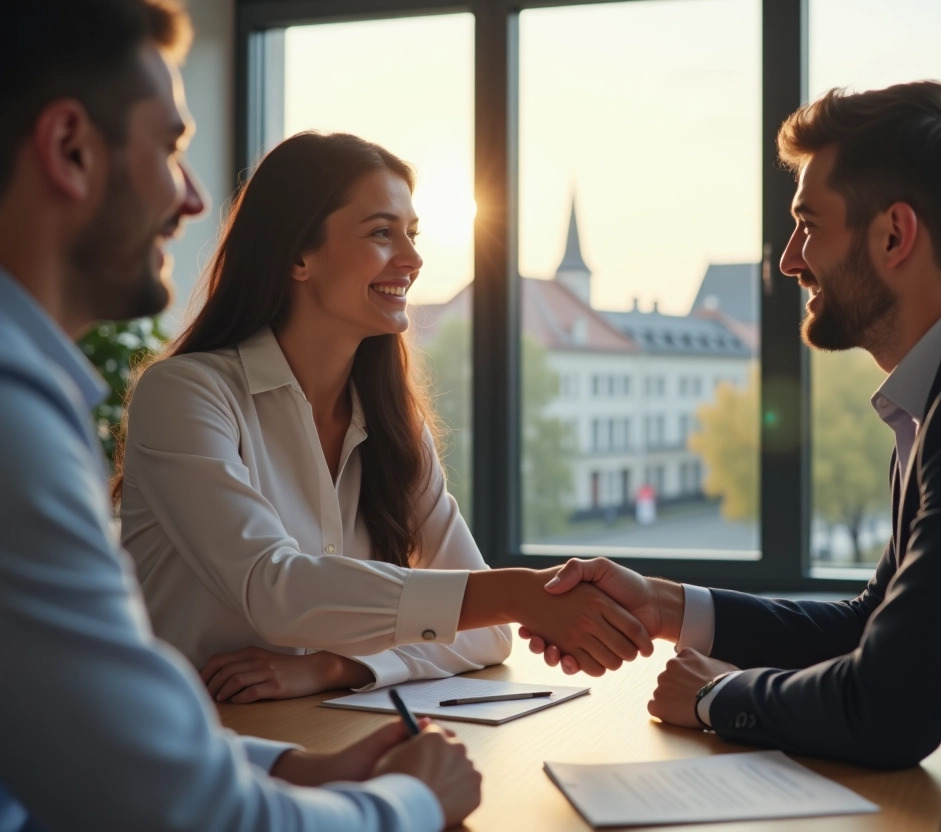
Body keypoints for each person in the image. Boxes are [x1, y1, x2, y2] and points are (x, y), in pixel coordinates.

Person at [521, 81, 941, 831]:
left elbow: (891, 711)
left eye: (807, 226)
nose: (789, 261)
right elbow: (874, 625)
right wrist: (665, 607)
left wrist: (715, 697)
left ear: (894, 235)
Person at [0, 2, 486, 828]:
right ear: (71, 150)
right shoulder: (49, 415)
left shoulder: (388, 421)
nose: (193, 198)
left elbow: (118, 733)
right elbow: (184, 793)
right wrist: (406, 802)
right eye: (171, 148)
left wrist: (312, 737)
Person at [113, 130, 648, 705]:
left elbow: (489, 636)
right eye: (381, 233)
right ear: (297, 255)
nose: (414, 260)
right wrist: (519, 591)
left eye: (412, 234)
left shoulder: (391, 424)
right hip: (193, 742)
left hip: (325, 740)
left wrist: (338, 667)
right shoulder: (185, 396)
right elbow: (275, 591)